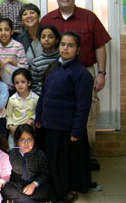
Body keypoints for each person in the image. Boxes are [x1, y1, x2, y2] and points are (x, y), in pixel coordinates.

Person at [40, 0, 111, 171]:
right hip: (57, 72)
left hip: (85, 71)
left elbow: (100, 46)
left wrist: (101, 73)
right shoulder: (48, 19)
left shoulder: (89, 17)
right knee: (59, 114)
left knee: (86, 113)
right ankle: (64, 156)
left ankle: (89, 155)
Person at [35, 31, 93, 202]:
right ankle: (55, 188)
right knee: (52, 161)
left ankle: (66, 191)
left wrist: (77, 130)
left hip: (66, 128)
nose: (65, 48)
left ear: (78, 49)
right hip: (48, 125)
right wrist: (39, 116)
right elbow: (44, 94)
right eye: (63, 44)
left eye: (70, 45)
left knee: (64, 164)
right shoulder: (55, 67)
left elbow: (83, 106)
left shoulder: (81, 74)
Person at [1, 124, 55, 203]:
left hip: (35, 186)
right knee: (7, 189)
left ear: (34, 140)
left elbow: (45, 174)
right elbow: (8, 175)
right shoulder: (11, 155)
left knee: (49, 190)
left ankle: (22, 201)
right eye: (22, 140)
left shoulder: (40, 155)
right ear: (16, 141)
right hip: (18, 186)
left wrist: (34, 185)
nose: (26, 144)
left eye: (30, 140)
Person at [0, 18, 28, 91]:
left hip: (15, 88)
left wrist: (11, 61)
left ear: (12, 31)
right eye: (0, 30)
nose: (3, 33)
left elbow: (25, 69)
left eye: (6, 30)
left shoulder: (18, 46)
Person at [6, 68, 39, 149]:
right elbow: (8, 115)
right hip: (15, 131)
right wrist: (10, 126)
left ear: (29, 83)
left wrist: (32, 119)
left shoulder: (35, 98)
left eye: (23, 82)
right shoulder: (12, 99)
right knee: (12, 150)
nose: (20, 85)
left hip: (29, 131)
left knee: (29, 151)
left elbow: (37, 113)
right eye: (17, 83)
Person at [30, 25, 60, 95]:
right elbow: (34, 85)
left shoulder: (61, 58)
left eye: (50, 37)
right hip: (41, 97)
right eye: (43, 37)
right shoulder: (36, 62)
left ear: (56, 40)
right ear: (40, 39)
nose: (46, 39)